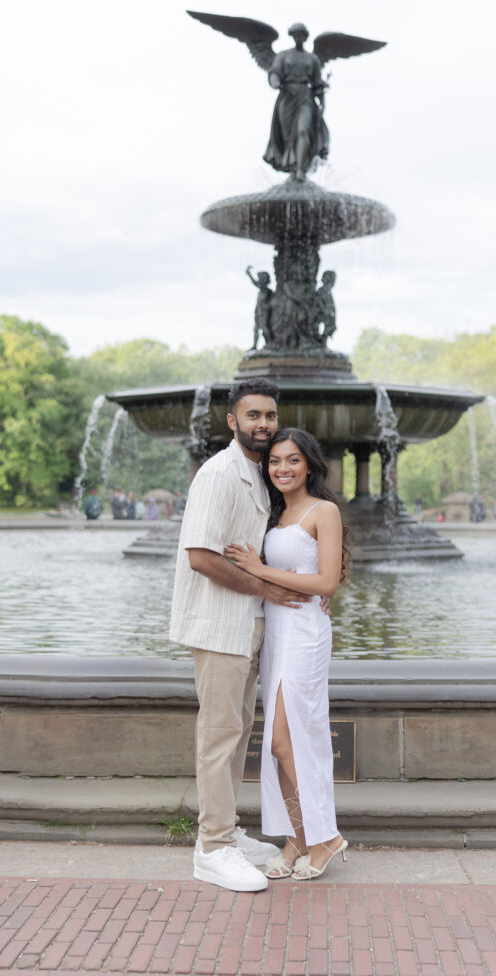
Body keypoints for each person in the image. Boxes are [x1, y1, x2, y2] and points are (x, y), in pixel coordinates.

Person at [168, 378, 312, 893]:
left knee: (236, 736)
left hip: (246, 624)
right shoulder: (220, 472)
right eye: (253, 416)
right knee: (220, 736)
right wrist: (266, 590)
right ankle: (212, 848)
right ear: (233, 421)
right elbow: (201, 556)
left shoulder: (258, 473)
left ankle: (225, 833)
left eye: (270, 415)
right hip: (219, 622)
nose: (264, 424)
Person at [225, 427, 349, 881]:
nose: (283, 468)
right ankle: (298, 837)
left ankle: (326, 838)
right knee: (281, 745)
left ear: (310, 464)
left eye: (292, 460)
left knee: (288, 739)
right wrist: (267, 575)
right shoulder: (274, 516)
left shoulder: (324, 511)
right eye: (275, 461)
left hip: (305, 633)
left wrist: (262, 569)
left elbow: (327, 583)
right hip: (276, 634)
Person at [263, 23, 329, 182]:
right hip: (287, 97)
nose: (298, 38)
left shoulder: (312, 59)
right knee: (287, 138)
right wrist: (275, 81)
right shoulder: (283, 56)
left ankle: (300, 168)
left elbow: (317, 82)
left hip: (305, 97)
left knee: (303, 130)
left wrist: (322, 102)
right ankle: (292, 166)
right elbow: (274, 72)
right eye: (295, 35)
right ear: (292, 36)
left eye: (301, 35)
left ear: (305, 37)